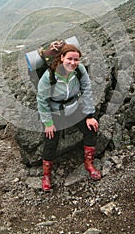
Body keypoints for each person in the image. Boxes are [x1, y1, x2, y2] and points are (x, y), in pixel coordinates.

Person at [37, 43, 101, 191]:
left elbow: (86, 89)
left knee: (91, 129)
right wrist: (48, 122)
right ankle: (46, 175)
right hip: (56, 111)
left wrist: (89, 114)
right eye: (69, 59)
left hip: (74, 107)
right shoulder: (49, 76)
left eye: (76, 59)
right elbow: (42, 100)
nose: (73, 63)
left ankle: (89, 164)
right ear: (62, 58)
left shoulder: (79, 70)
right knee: (51, 140)